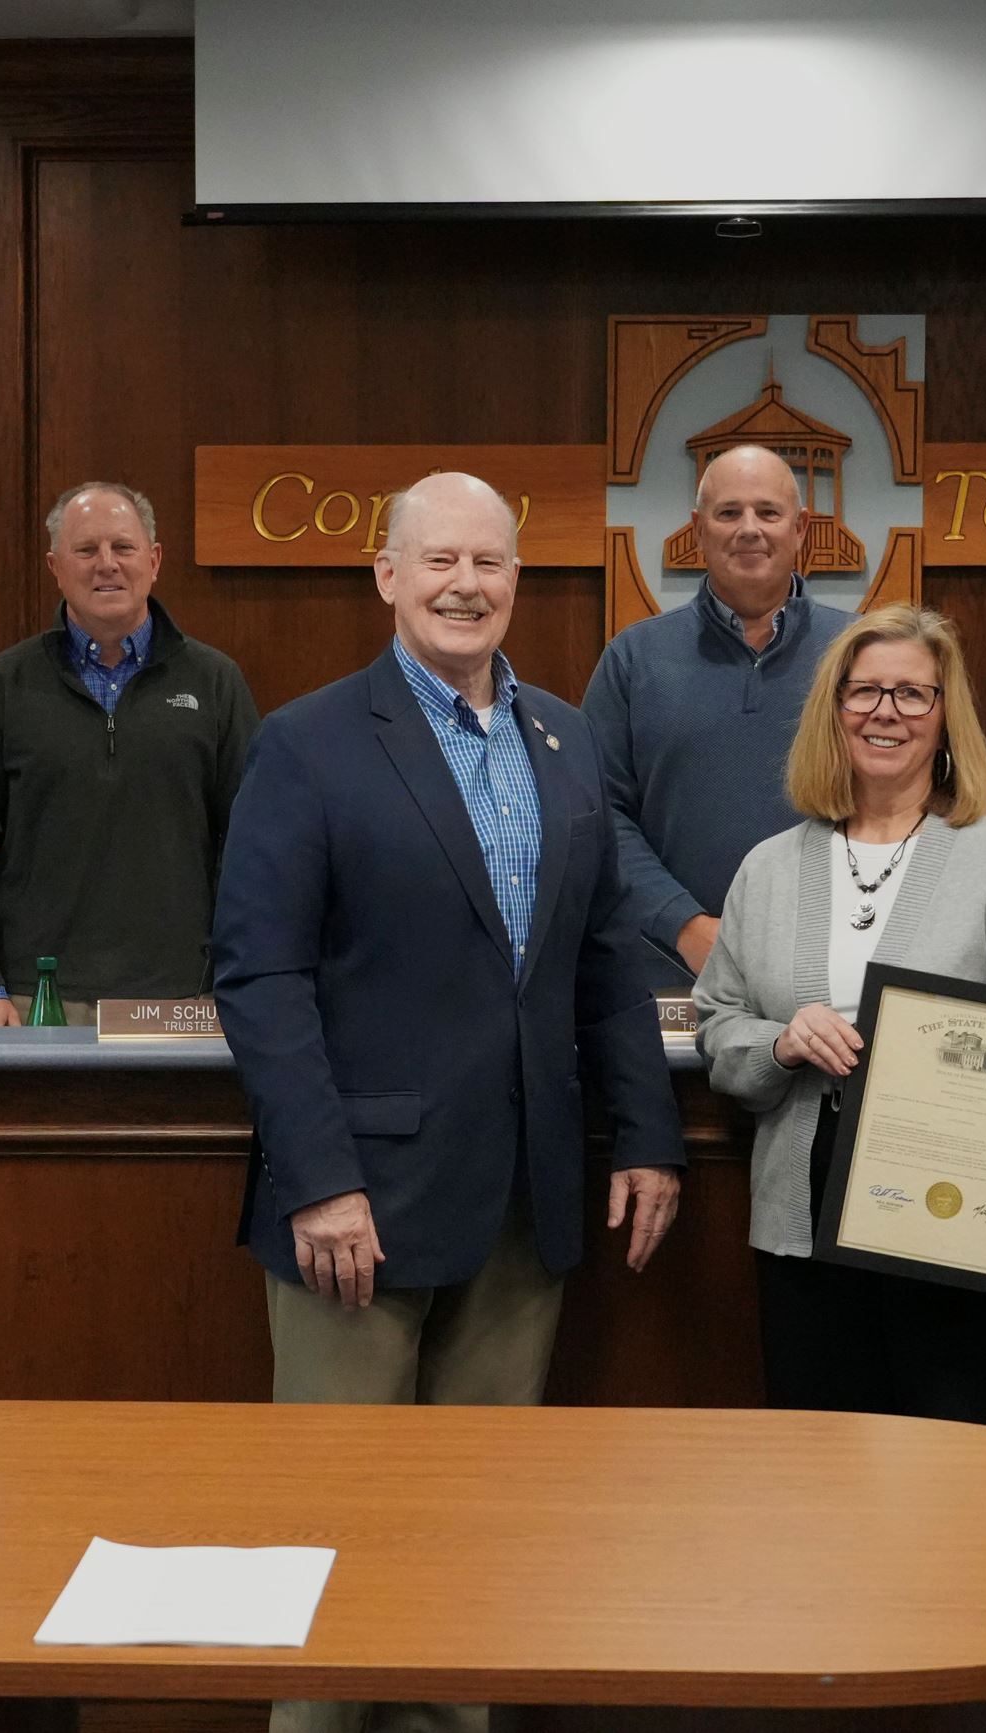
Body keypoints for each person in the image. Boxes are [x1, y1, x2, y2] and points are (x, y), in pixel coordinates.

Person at [213, 472, 685, 1733]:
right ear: (385, 575)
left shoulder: (568, 738)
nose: (464, 584)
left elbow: (600, 960)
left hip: (524, 1205)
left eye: (489, 562)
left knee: (471, 1544)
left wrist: (645, 1132)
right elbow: (259, 974)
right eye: (438, 561)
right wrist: (316, 1175)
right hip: (354, 1210)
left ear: (517, 580)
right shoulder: (306, 742)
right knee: (335, 1539)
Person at [694, 603, 986, 1432]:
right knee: (823, 1490)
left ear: (947, 717)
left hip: (964, 1220)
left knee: (967, 1487)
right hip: (804, 1227)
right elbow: (717, 1023)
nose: (887, 712)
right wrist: (778, 1040)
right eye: (866, 691)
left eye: (915, 695)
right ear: (833, 711)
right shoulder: (767, 870)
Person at [0, 481, 258, 1025]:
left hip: (183, 1004)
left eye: (123, 548)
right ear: (55, 566)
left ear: (154, 561)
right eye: (86, 550)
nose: (106, 564)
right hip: (34, 1002)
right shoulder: (4, 686)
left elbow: (253, 847)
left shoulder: (215, 683)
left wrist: (233, 981)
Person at [582, 443, 854, 986]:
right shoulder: (633, 659)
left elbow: (904, 804)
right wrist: (685, 925)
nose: (749, 528)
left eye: (768, 513)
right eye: (728, 513)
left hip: (833, 965)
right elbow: (596, 815)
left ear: (801, 528)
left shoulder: (860, 653)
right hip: (667, 968)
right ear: (699, 529)